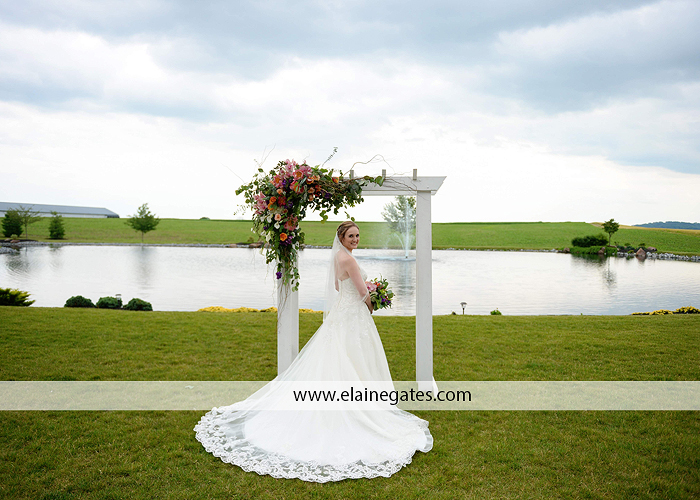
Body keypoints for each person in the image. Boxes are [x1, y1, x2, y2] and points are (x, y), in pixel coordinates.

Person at [194, 221, 432, 482]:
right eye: (351, 236)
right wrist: (372, 301)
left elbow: (338, 288)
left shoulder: (338, 257)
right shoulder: (349, 260)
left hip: (342, 313)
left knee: (340, 359)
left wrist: (366, 291)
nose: (355, 239)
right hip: (353, 316)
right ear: (342, 237)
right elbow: (362, 292)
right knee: (355, 359)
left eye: (357, 235)